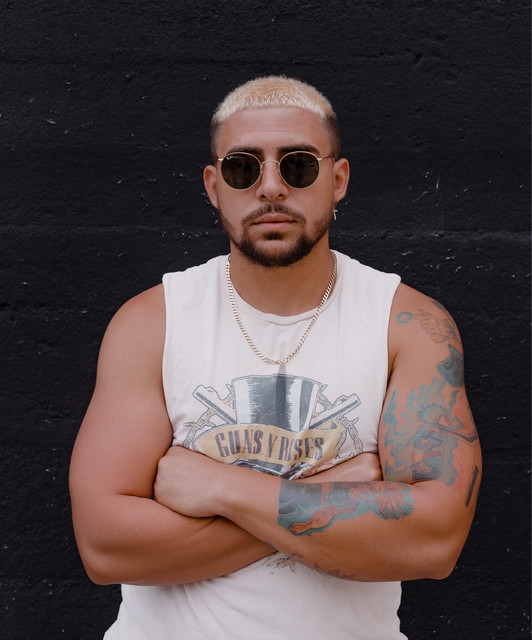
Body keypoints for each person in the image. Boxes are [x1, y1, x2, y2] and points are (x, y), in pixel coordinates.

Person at [69, 76, 481, 639]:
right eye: (243, 167)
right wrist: (336, 495)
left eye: (298, 165)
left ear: (338, 180)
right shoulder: (152, 323)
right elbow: (105, 548)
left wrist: (222, 490)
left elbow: (433, 543)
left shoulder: (407, 325)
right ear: (214, 186)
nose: (270, 187)